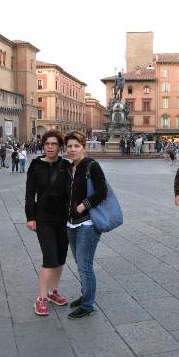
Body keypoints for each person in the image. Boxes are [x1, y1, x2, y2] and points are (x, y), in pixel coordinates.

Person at [25, 130, 71, 316]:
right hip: (43, 218)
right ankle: (41, 298)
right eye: (47, 144)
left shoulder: (66, 165)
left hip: (63, 218)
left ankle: (53, 292)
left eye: (53, 144)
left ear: (60, 147)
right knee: (50, 258)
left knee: (60, 258)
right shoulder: (36, 165)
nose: (50, 147)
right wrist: (30, 217)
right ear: (43, 146)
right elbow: (30, 194)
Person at [64, 131, 107, 319]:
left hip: (88, 224)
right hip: (71, 224)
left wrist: (82, 206)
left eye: (76, 146)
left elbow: (102, 192)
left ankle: (88, 305)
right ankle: (85, 295)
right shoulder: (68, 168)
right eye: (70, 146)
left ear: (84, 147)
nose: (73, 149)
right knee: (80, 263)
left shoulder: (92, 166)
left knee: (85, 264)